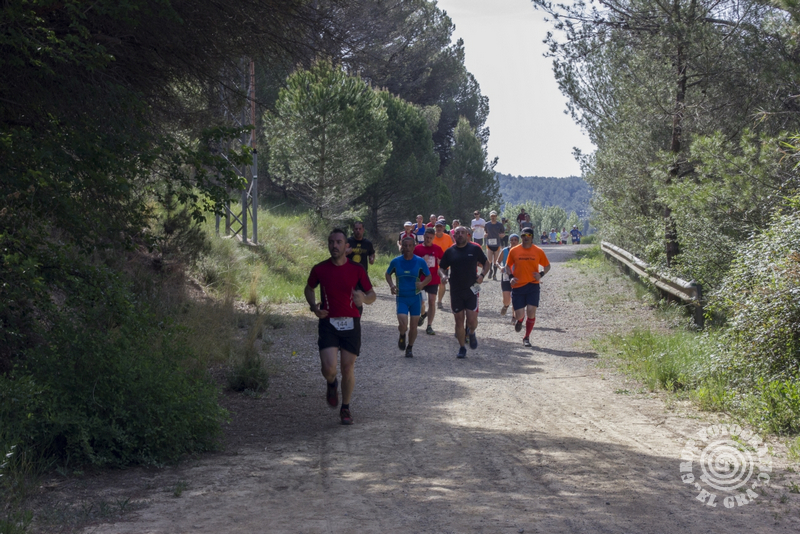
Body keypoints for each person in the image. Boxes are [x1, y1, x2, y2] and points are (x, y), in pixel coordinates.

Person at [305, 228, 377, 425]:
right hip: (328, 322)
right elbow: (309, 288)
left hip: (351, 322)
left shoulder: (357, 269)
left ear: (346, 246)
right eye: (331, 242)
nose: (334, 245)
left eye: (338, 242)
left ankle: (345, 407)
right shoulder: (320, 269)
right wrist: (313, 307)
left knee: (347, 367)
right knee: (329, 369)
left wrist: (364, 299)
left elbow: (372, 295)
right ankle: (331, 383)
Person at [438, 226, 489, 359]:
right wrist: (443, 276)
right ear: (454, 236)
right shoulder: (450, 251)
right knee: (459, 321)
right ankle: (462, 348)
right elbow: (441, 268)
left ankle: (471, 332)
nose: (460, 235)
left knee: (472, 320)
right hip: (456, 290)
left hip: (472, 288)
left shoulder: (475, 249)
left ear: (467, 235)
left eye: (462, 233)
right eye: (457, 233)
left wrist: (482, 276)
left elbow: (486, 263)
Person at [386, 236, 432, 358]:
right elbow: (387, 274)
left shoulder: (420, 261)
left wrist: (422, 284)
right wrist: (391, 285)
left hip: (415, 297)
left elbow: (429, 276)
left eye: (410, 245)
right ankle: (402, 335)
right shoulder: (396, 261)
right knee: (403, 324)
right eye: (405, 245)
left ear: (414, 246)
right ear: (401, 246)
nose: (407, 248)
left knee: (413, 326)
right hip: (401, 297)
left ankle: (410, 347)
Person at [505, 227, 551, 348]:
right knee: (519, 315)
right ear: (521, 237)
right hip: (518, 286)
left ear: (532, 237)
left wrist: (541, 274)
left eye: (528, 235)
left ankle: (526, 337)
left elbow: (547, 266)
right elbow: (507, 266)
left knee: (531, 312)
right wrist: (511, 277)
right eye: (523, 235)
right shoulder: (514, 251)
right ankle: (520, 320)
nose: (526, 237)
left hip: (533, 285)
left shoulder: (538, 251)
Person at [414, 228, 444, 335]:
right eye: (427, 237)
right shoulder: (417, 249)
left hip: (433, 279)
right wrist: (422, 260)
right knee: (421, 301)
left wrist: (441, 264)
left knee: (432, 301)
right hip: (421, 280)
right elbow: (411, 262)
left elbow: (443, 262)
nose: (428, 239)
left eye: (431, 238)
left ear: (433, 238)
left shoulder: (437, 249)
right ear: (424, 236)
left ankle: (429, 325)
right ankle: (423, 314)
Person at [432, 220, 454, 310]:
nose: (439, 228)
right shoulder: (431, 237)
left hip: (444, 265)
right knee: (433, 284)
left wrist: (446, 260)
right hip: (432, 265)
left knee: (442, 284)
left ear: (444, 228)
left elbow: (451, 250)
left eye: (440, 227)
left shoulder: (447, 237)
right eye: (437, 227)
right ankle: (432, 300)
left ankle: (439, 301)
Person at [498, 233, 520, 317]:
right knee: (506, 299)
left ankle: (514, 316)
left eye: (515, 240)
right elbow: (497, 261)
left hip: (517, 276)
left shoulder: (521, 251)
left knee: (516, 298)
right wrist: (500, 267)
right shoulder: (505, 250)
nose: (513, 241)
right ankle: (506, 306)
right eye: (512, 240)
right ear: (509, 241)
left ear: (518, 241)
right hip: (506, 276)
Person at [484, 210, 506, 280]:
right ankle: (490, 270)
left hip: (497, 244)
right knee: (489, 260)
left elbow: (503, 233)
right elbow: (485, 231)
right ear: (490, 217)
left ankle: (494, 275)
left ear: (496, 216)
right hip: (489, 244)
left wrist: (502, 235)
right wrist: (485, 234)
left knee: (495, 261)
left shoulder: (500, 225)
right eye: (491, 216)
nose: (493, 217)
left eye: (494, 216)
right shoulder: (487, 224)